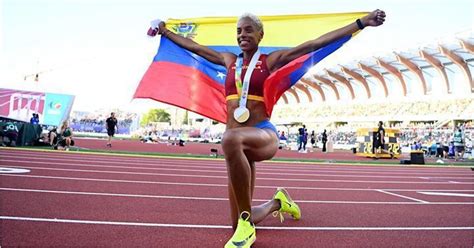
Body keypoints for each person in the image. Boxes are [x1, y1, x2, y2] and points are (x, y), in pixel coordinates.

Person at [154, 10, 385, 247]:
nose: (242, 35)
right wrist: (165, 31)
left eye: (248, 30)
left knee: (230, 139)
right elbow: (196, 48)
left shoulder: (269, 61)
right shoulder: (228, 60)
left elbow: (315, 43)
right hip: (237, 143)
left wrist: (361, 23)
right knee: (238, 220)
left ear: (260, 35)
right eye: (239, 31)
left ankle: (247, 227)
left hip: (263, 134)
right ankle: (277, 202)